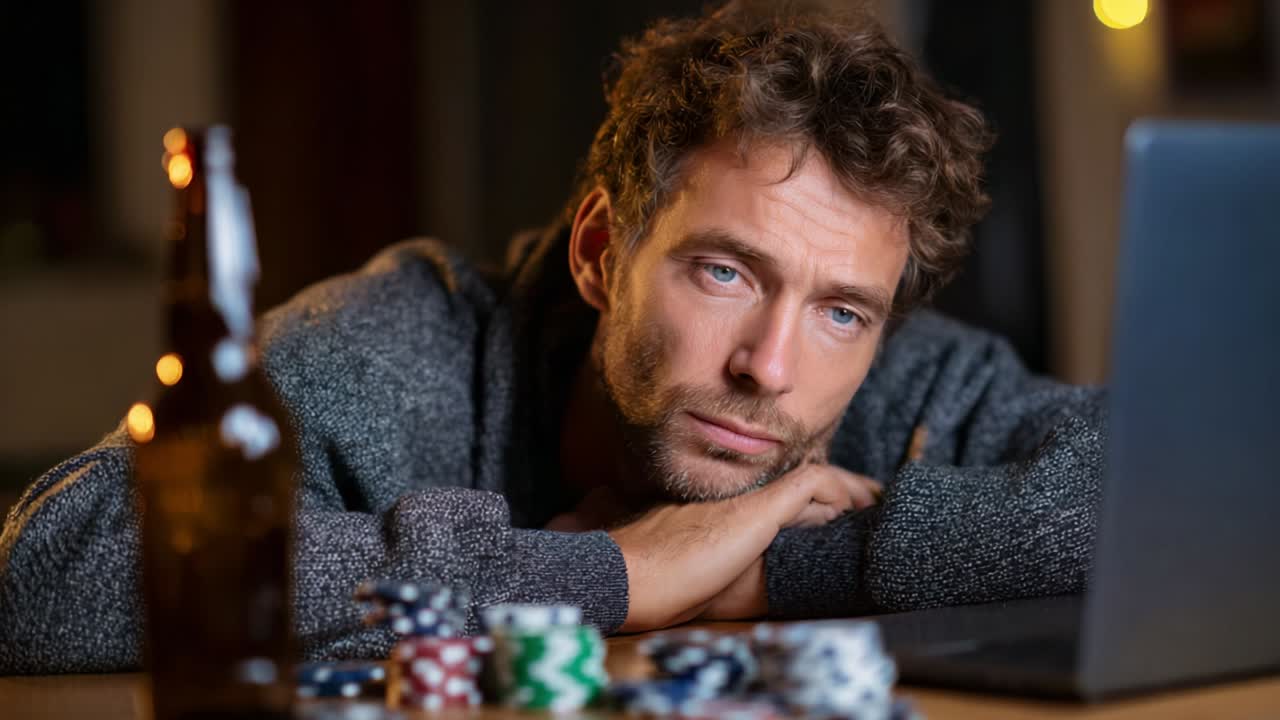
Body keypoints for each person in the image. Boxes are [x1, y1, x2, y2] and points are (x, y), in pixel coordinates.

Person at [0, 2, 1104, 674]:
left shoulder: (901, 376)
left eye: (839, 311)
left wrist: (783, 571)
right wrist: (607, 572)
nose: (769, 368)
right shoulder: (398, 345)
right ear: (597, 252)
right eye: (724, 271)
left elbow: (1200, 486)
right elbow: (51, 577)